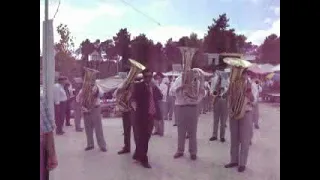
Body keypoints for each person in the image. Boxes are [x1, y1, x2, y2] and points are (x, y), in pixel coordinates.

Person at [130, 69, 163, 168]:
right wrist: (134, 105)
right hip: (142, 116)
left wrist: (155, 87)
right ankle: (144, 159)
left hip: (152, 115)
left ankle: (137, 154)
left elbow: (160, 97)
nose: (148, 78)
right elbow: (133, 98)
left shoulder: (154, 87)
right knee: (143, 138)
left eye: (150, 76)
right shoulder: (139, 86)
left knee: (146, 137)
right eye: (146, 76)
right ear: (143, 77)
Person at [225, 69, 255, 173]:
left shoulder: (251, 84)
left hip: (245, 113)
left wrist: (248, 92)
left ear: (247, 74)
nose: (241, 75)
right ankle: (234, 160)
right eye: (238, 73)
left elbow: (254, 100)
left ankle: (242, 163)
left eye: (243, 73)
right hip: (234, 113)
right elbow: (227, 96)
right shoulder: (233, 83)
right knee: (234, 138)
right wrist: (229, 90)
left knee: (244, 140)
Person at [171, 71, 205, 160]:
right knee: (180, 131)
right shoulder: (179, 79)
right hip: (180, 106)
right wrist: (181, 87)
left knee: (193, 131)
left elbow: (202, 92)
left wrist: (197, 100)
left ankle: (193, 152)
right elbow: (172, 91)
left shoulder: (196, 80)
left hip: (193, 107)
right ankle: (180, 150)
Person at [76, 82, 107, 152]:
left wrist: (96, 91)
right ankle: (90, 144)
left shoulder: (97, 87)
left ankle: (102, 145)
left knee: (98, 128)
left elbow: (101, 94)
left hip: (95, 108)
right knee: (88, 128)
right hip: (86, 110)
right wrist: (81, 96)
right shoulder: (83, 89)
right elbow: (77, 99)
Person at [40, 96, 58, 180]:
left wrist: (52, 125)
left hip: (44, 136)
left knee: (44, 165)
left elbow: (48, 115)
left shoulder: (41, 99)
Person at [116, 83, 136, 155]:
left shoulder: (135, 88)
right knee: (126, 131)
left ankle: (138, 150)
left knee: (136, 132)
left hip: (133, 112)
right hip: (126, 112)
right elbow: (117, 95)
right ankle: (127, 147)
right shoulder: (124, 89)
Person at [209, 74, 229, 142]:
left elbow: (229, 89)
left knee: (223, 120)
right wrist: (213, 93)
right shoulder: (214, 79)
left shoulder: (227, 79)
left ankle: (222, 136)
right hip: (216, 99)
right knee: (215, 119)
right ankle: (214, 135)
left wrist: (224, 89)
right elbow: (211, 90)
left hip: (224, 99)